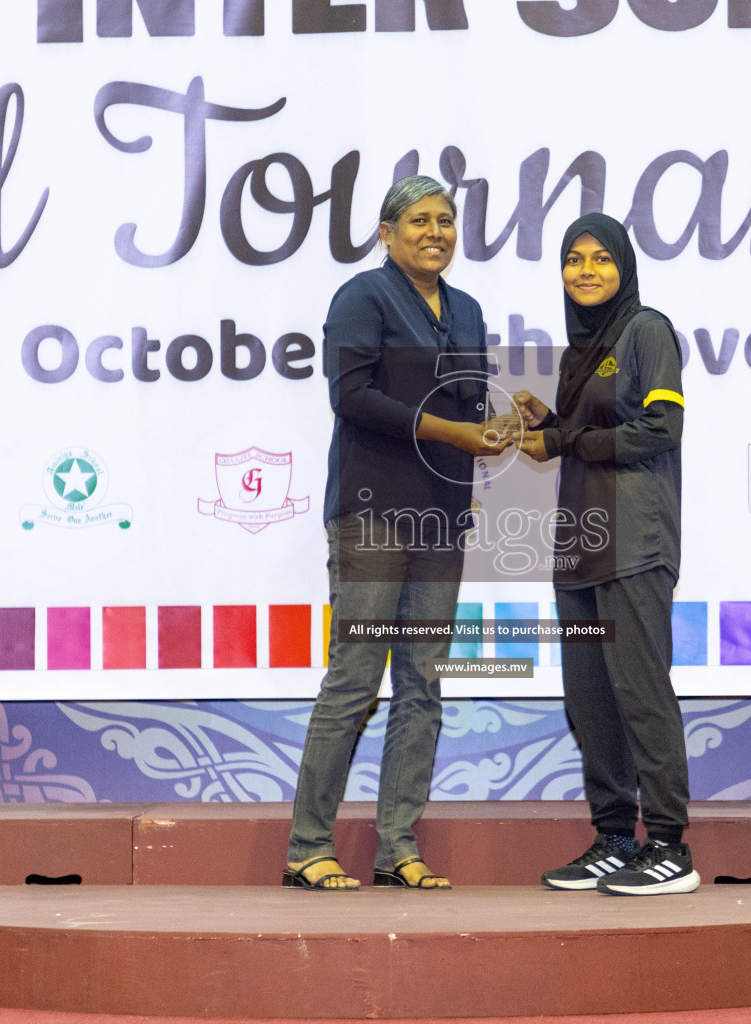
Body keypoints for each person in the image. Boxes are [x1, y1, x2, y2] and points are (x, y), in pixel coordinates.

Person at [283, 176, 508, 891]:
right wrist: (456, 430)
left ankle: (397, 848)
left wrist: (515, 417)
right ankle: (307, 849)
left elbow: (469, 404)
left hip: (442, 517)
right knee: (354, 681)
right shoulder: (362, 298)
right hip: (372, 513)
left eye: (445, 220)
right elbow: (352, 397)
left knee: (424, 684)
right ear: (386, 233)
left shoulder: (468, 310)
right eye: (419, 220)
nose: (435, 231)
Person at [511, 213, 697, 896]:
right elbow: (585, 433)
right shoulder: (576, 353)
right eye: (572, 259)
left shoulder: (646, 330)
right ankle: (615, 838)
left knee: (640, 693)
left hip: (635, 541)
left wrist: (565, 441)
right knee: (590, 699)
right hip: (580, 544)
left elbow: (660, 427)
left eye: (600, 259)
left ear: (624, 266)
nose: (585, 271)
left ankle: (670, 845)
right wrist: (549, 424)